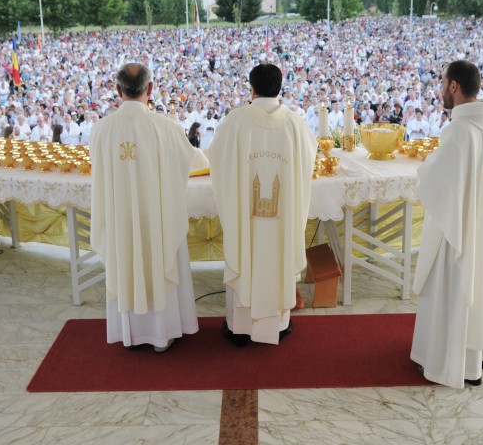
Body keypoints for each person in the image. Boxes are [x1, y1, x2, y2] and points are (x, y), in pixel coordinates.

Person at [410, 60, 483, 388]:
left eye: (443, 82)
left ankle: (447, 364)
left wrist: (424, 167)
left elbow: (436, 181)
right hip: (482, 229)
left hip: (457, 232)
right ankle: (476, 359)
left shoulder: (459, 130)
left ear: (454, 86)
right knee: (478, 285)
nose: (442, 88)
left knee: (451, 289)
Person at [90, 63, 207, 353]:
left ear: (118, 91)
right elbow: (194, 162)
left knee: (127, 260)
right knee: (159, 256)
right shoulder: (165, 127)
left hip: (121, 221)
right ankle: (162, 335)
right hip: (158, 220)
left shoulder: (101, 130)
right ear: (150, 89)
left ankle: (130, 335)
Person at [209, 63, 316, 346]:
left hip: (246, 218)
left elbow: (216, 160)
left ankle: (240, 327)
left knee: (246, 254)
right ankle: (277, 325)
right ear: (279, 87)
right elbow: (307, 162)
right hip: (281, 220)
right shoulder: (296, 123)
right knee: (277, 256)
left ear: (252, 88)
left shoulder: (235, 121)